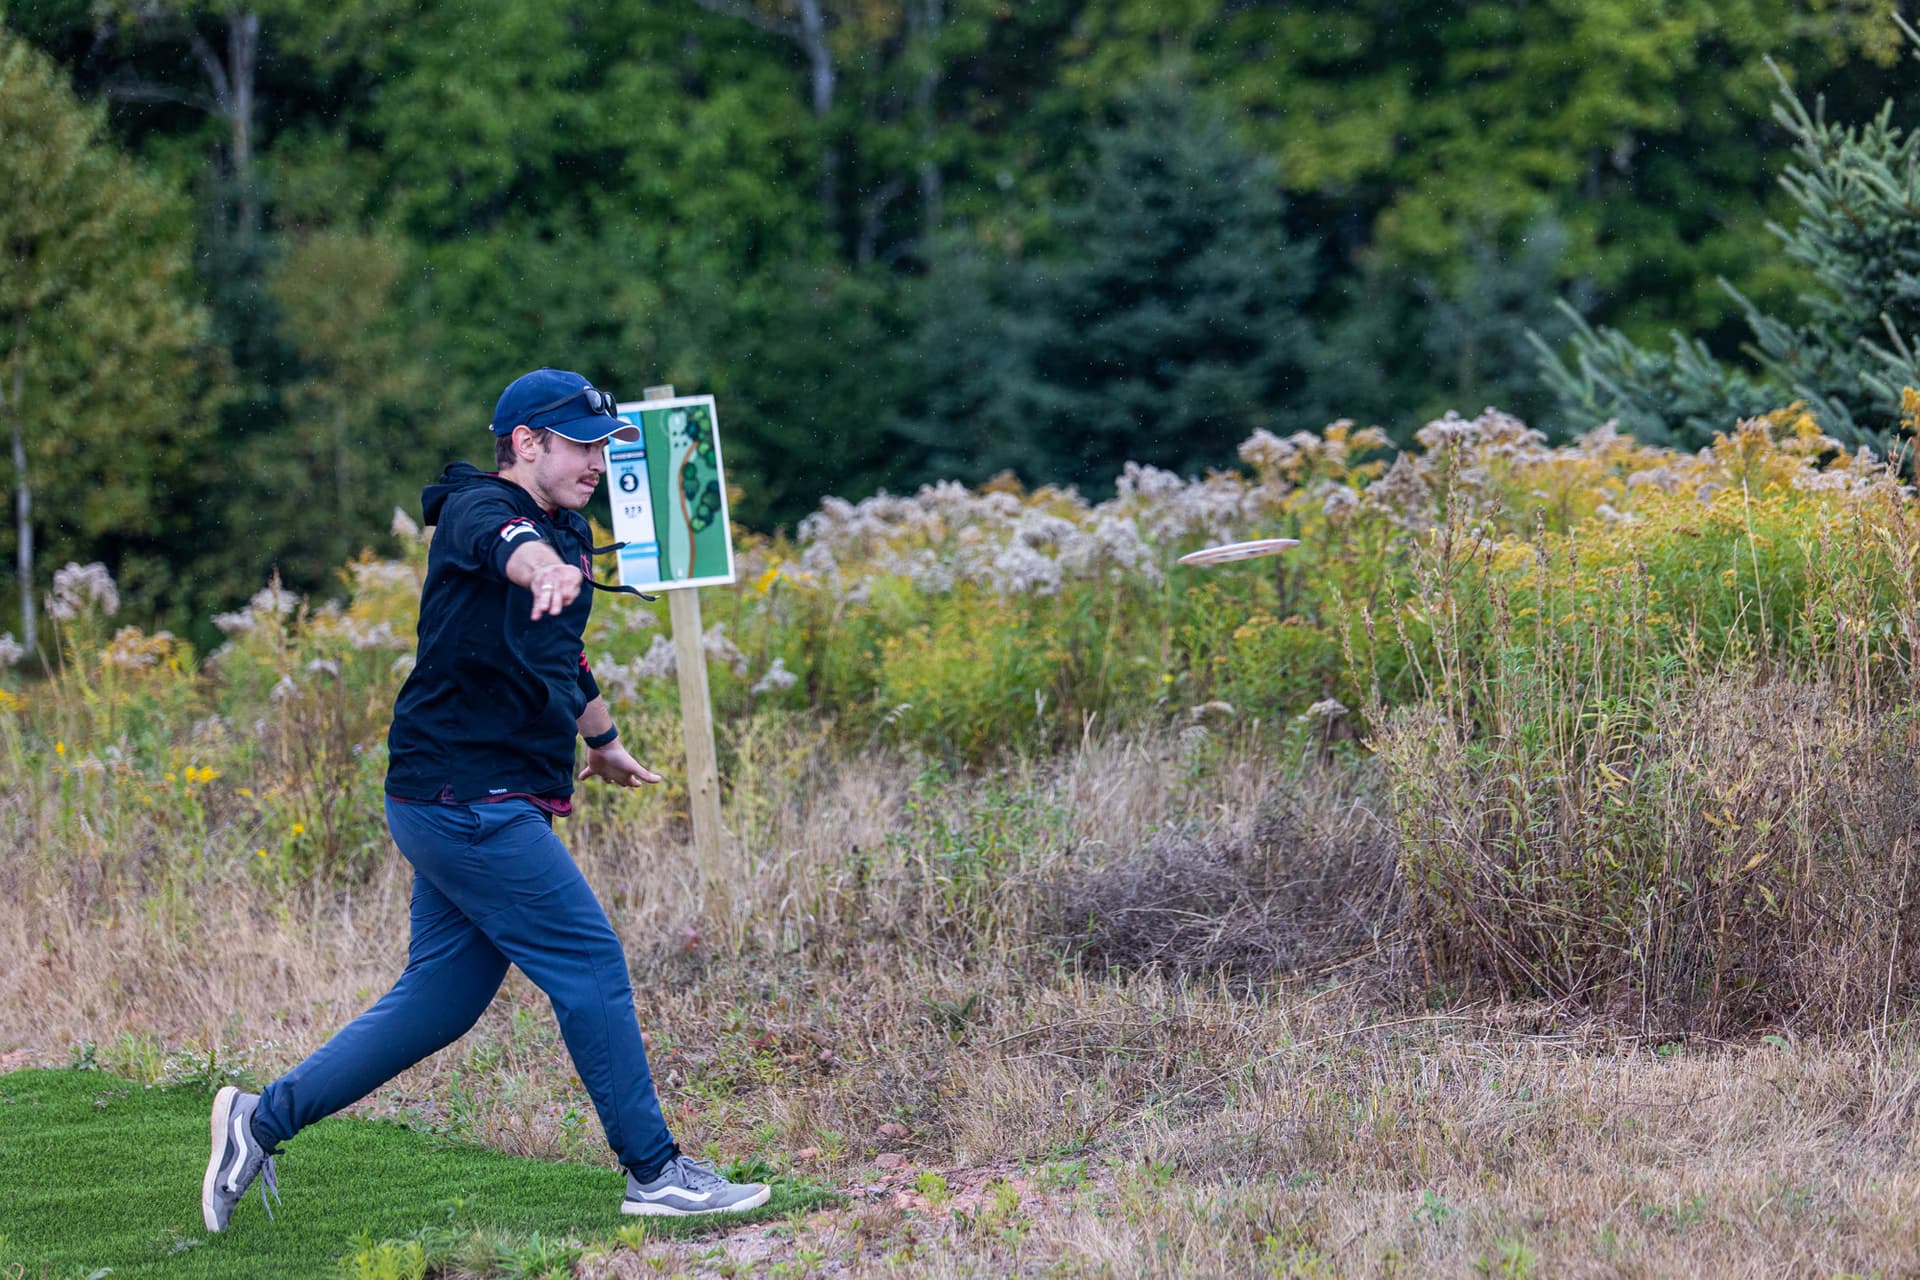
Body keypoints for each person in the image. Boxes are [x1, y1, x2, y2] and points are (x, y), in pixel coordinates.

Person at [201, 367, 768, 1231]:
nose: (598, 460)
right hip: (465, 797)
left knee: (442, 1000)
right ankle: (654, 1173)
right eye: (581, 443)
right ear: (526, 444)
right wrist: (538, 564)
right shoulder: (481, 511)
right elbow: (512, 547)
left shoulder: (566, 528)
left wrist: (604, 741)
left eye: (603, 444)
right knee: (590, 964)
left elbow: (559, 655)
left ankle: (258, 1121)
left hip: (467, 795)